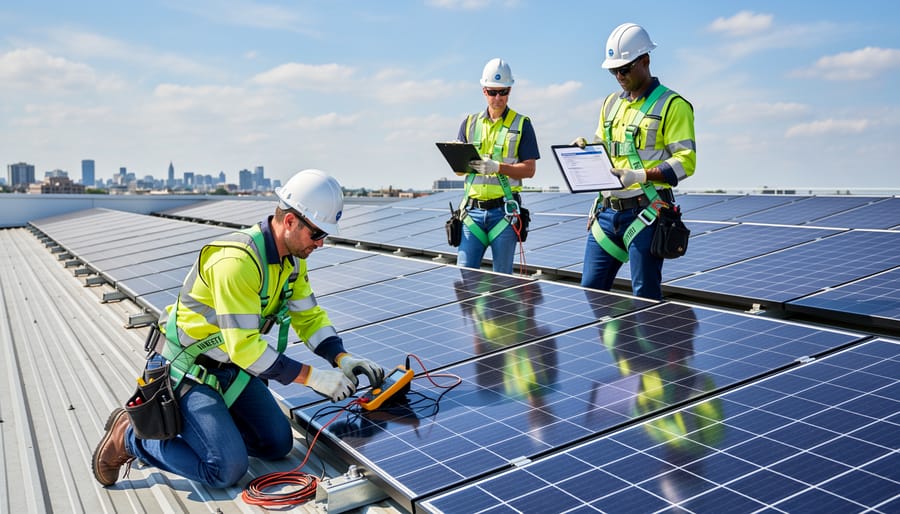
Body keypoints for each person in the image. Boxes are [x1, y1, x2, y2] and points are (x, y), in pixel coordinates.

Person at [92, 169, 385, 489]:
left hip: (231, 371)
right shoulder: (236, 262)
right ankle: (132, 438)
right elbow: (245, 348)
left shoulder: (292, 263)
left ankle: (212, 428)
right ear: (290, 221)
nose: (321, 243)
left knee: (276, 444)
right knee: (225, 469)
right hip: (187, 371)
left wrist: (341, 358)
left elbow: (309, 318)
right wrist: (312, 378)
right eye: (316, 234)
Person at [573, 23, 696, 299]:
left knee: (645, 299)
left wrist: (641, 176)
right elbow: (602, 147)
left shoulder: (673, 105)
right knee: (589, 294)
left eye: (624, 69)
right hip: (605, 214)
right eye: (613, 71)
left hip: (646, 213)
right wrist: (585, 149)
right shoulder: (610, 104)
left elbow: (685, 162)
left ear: (645, 61)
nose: (619, 75)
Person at [454, 57, 540, 274]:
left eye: (503, 92)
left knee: (503, 283)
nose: (498, 97)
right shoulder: (469, 123)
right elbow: (458, 170)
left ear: (510, 90)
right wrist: (456, 156)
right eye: (493, 92)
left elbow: (529, 170)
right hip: (472, 213)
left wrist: (498, 167)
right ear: (484, 91)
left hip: (503, 213)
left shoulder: (522, 124)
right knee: (465, 277)